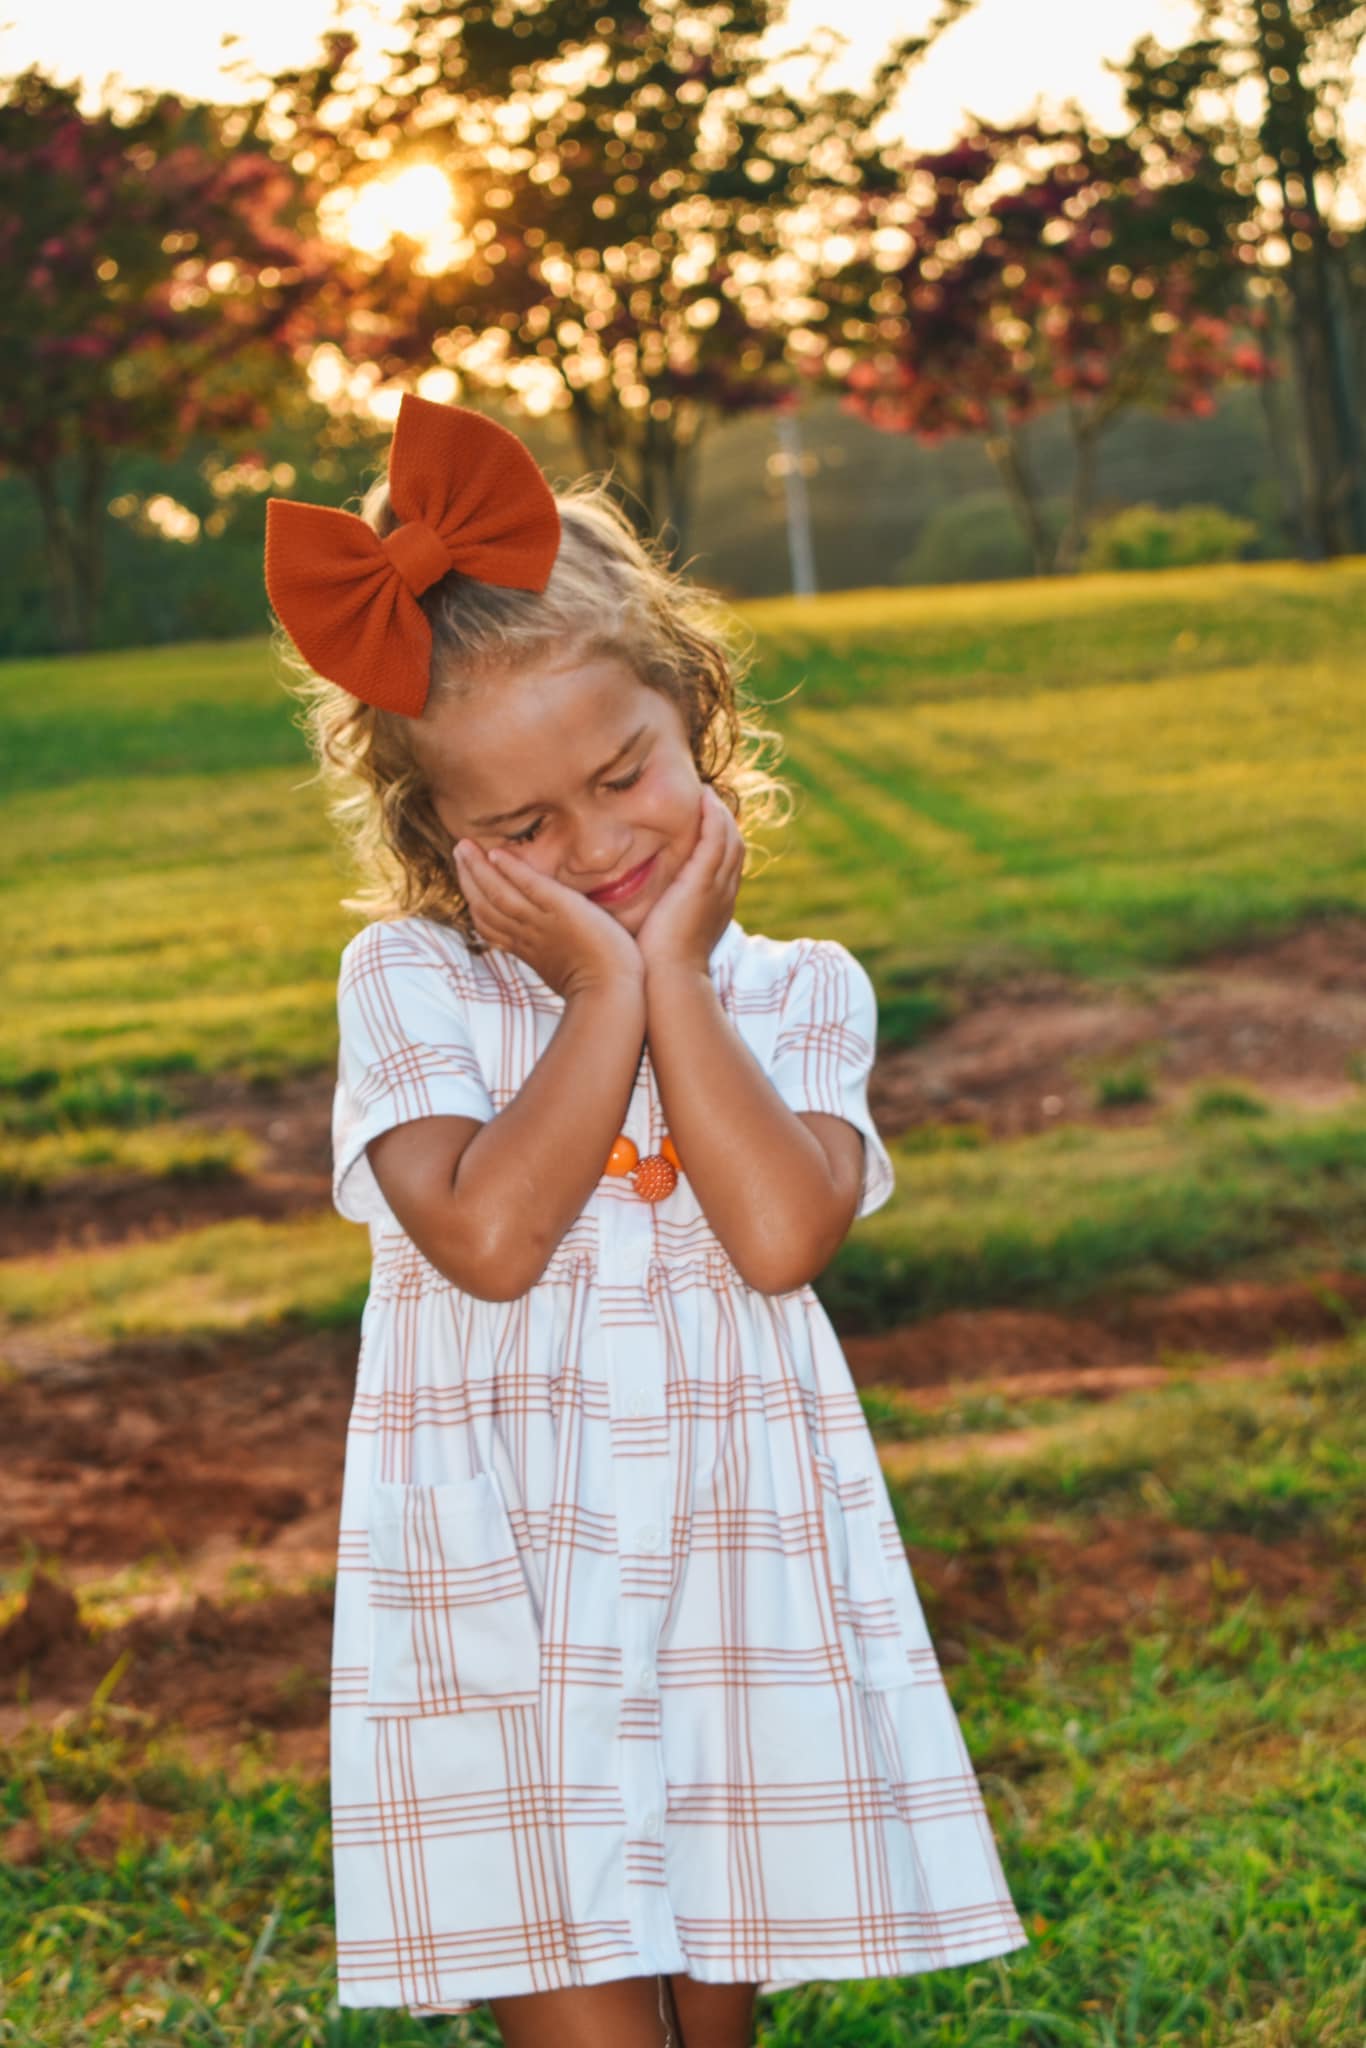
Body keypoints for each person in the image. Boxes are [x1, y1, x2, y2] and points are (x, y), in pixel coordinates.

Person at [264, 393, 1028, 2048]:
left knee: (710, 2016)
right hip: (508, 1592)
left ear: (694, 711)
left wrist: (668, 977)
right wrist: (605, 983)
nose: (599, 848)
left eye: (623, 780)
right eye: (523, 831)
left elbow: (777, 1235)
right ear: (438, 838)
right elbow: (483, 1237)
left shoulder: (798, 993)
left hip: (721, 1586)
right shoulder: (408, 986)